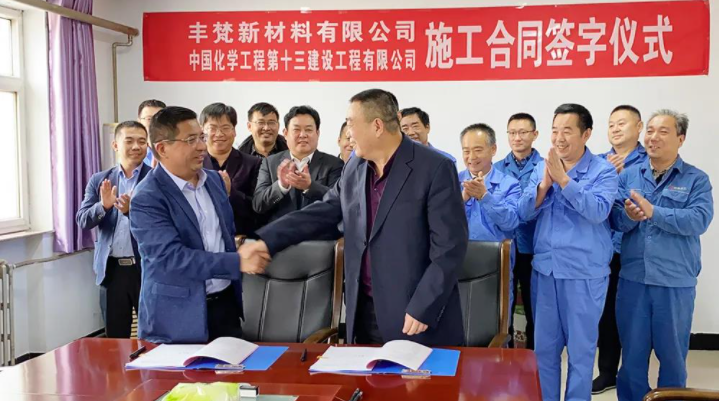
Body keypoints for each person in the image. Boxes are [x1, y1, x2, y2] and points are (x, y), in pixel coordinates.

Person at [245, 89, 468, 346]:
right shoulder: (355, 167)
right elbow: (321, 213)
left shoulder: (434, 167)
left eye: (351, 123)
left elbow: (449, 247)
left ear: (377, 126)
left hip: (416, 316)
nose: (348, 133)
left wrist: (424, 306)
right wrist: (265, 240)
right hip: (364, 313)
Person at [129, 106, 268, 343]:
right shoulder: (147, 196)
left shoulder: (214, 181)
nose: (202, 146)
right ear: (162, 148)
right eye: (191, 140)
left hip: (225, 307)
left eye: (201, 137)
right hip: (177, 316)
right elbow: (171, 258)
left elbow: (225, 236)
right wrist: (236, 261)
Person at [517, 103, 618, 401]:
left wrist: (563, 180)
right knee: (544, 352)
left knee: (581, 352)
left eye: (567, 131)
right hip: (546, 272)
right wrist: (543, 186)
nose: (559, 138)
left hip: (584, 275)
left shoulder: (603, 170)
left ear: (586, 134)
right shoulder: (542, 166)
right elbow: (523, 212)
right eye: (555, 131)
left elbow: (598, 211)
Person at [611, 110, 713, 401]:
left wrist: (654, 212)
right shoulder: (629, 175)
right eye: (650, 131)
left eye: (663, 131)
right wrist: (629, 216)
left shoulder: (696, 179)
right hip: (634, 280)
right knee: (632, 357)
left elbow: (699, 220)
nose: (653, 137)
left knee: (672, 358)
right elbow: (615, 220)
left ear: (681, 138)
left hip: (674, 282)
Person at [76, 121, 151, 338]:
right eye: (129, 141)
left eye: (142, 141)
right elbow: (82, 220)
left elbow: (163, 224)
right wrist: (103, 205)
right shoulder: (100, 179)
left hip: (146, 268)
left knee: (152, 336)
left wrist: (130, 212)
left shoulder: (155, 179)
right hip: (112, 270)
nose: (136, 146)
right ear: (115, 145)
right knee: (115, 339)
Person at [593, 105, 648, 394]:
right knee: (607, 315)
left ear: (639, 127)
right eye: (611, 124)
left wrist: (618, 178)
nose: (615, 128)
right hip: (605, 250)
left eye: (622, 123)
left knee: (636, 316)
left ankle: (633, 376)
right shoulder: (598, 162)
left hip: (637, 250)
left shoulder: (650, 161)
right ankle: (607, 372)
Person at [494, 112, 543, 350]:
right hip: (504, 246)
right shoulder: (496, 169)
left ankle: (534, 355)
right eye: (512, 132)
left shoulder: (545, 167)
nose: (517, 137)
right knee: (504, 306)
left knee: (536, 306)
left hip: (535, 246)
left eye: (523, 132)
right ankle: (507, 355)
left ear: (535, 134)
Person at [253, 105, 343, 225]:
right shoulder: (270, 163)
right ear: (285, 133)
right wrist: (281, 186)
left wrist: (310, 186)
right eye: (296, 130)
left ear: (317, 133)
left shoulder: (334, 164)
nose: (303, 135)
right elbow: (258, 205)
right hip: (279, 232)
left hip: (318, 233)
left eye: (308, 130)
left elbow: (339, 202)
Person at [200, 102, 262, 236]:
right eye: (212, 128)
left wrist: (230, 192)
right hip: (203, 237)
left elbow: (257, 208)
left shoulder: (253, 163)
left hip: (240, 237)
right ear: (202, 131)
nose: (219, 134)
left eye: (225, 128)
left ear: (234, 131)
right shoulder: (194, 163)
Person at [459, 123, 520, 247]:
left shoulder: (510, 184)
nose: (471, 157)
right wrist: (461, 200)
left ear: (493, 149)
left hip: (496, 255)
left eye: (478, 150)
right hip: (458, 254)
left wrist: (484, 197)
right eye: (466, 151)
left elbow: (511, 223)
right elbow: (439, 222)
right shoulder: (453, 181)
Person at [137, 99, 166, 167]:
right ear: (139, 122)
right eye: (149, 119)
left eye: (159, 118)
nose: (154, 123)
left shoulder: (176, 150)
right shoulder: (133, 152)